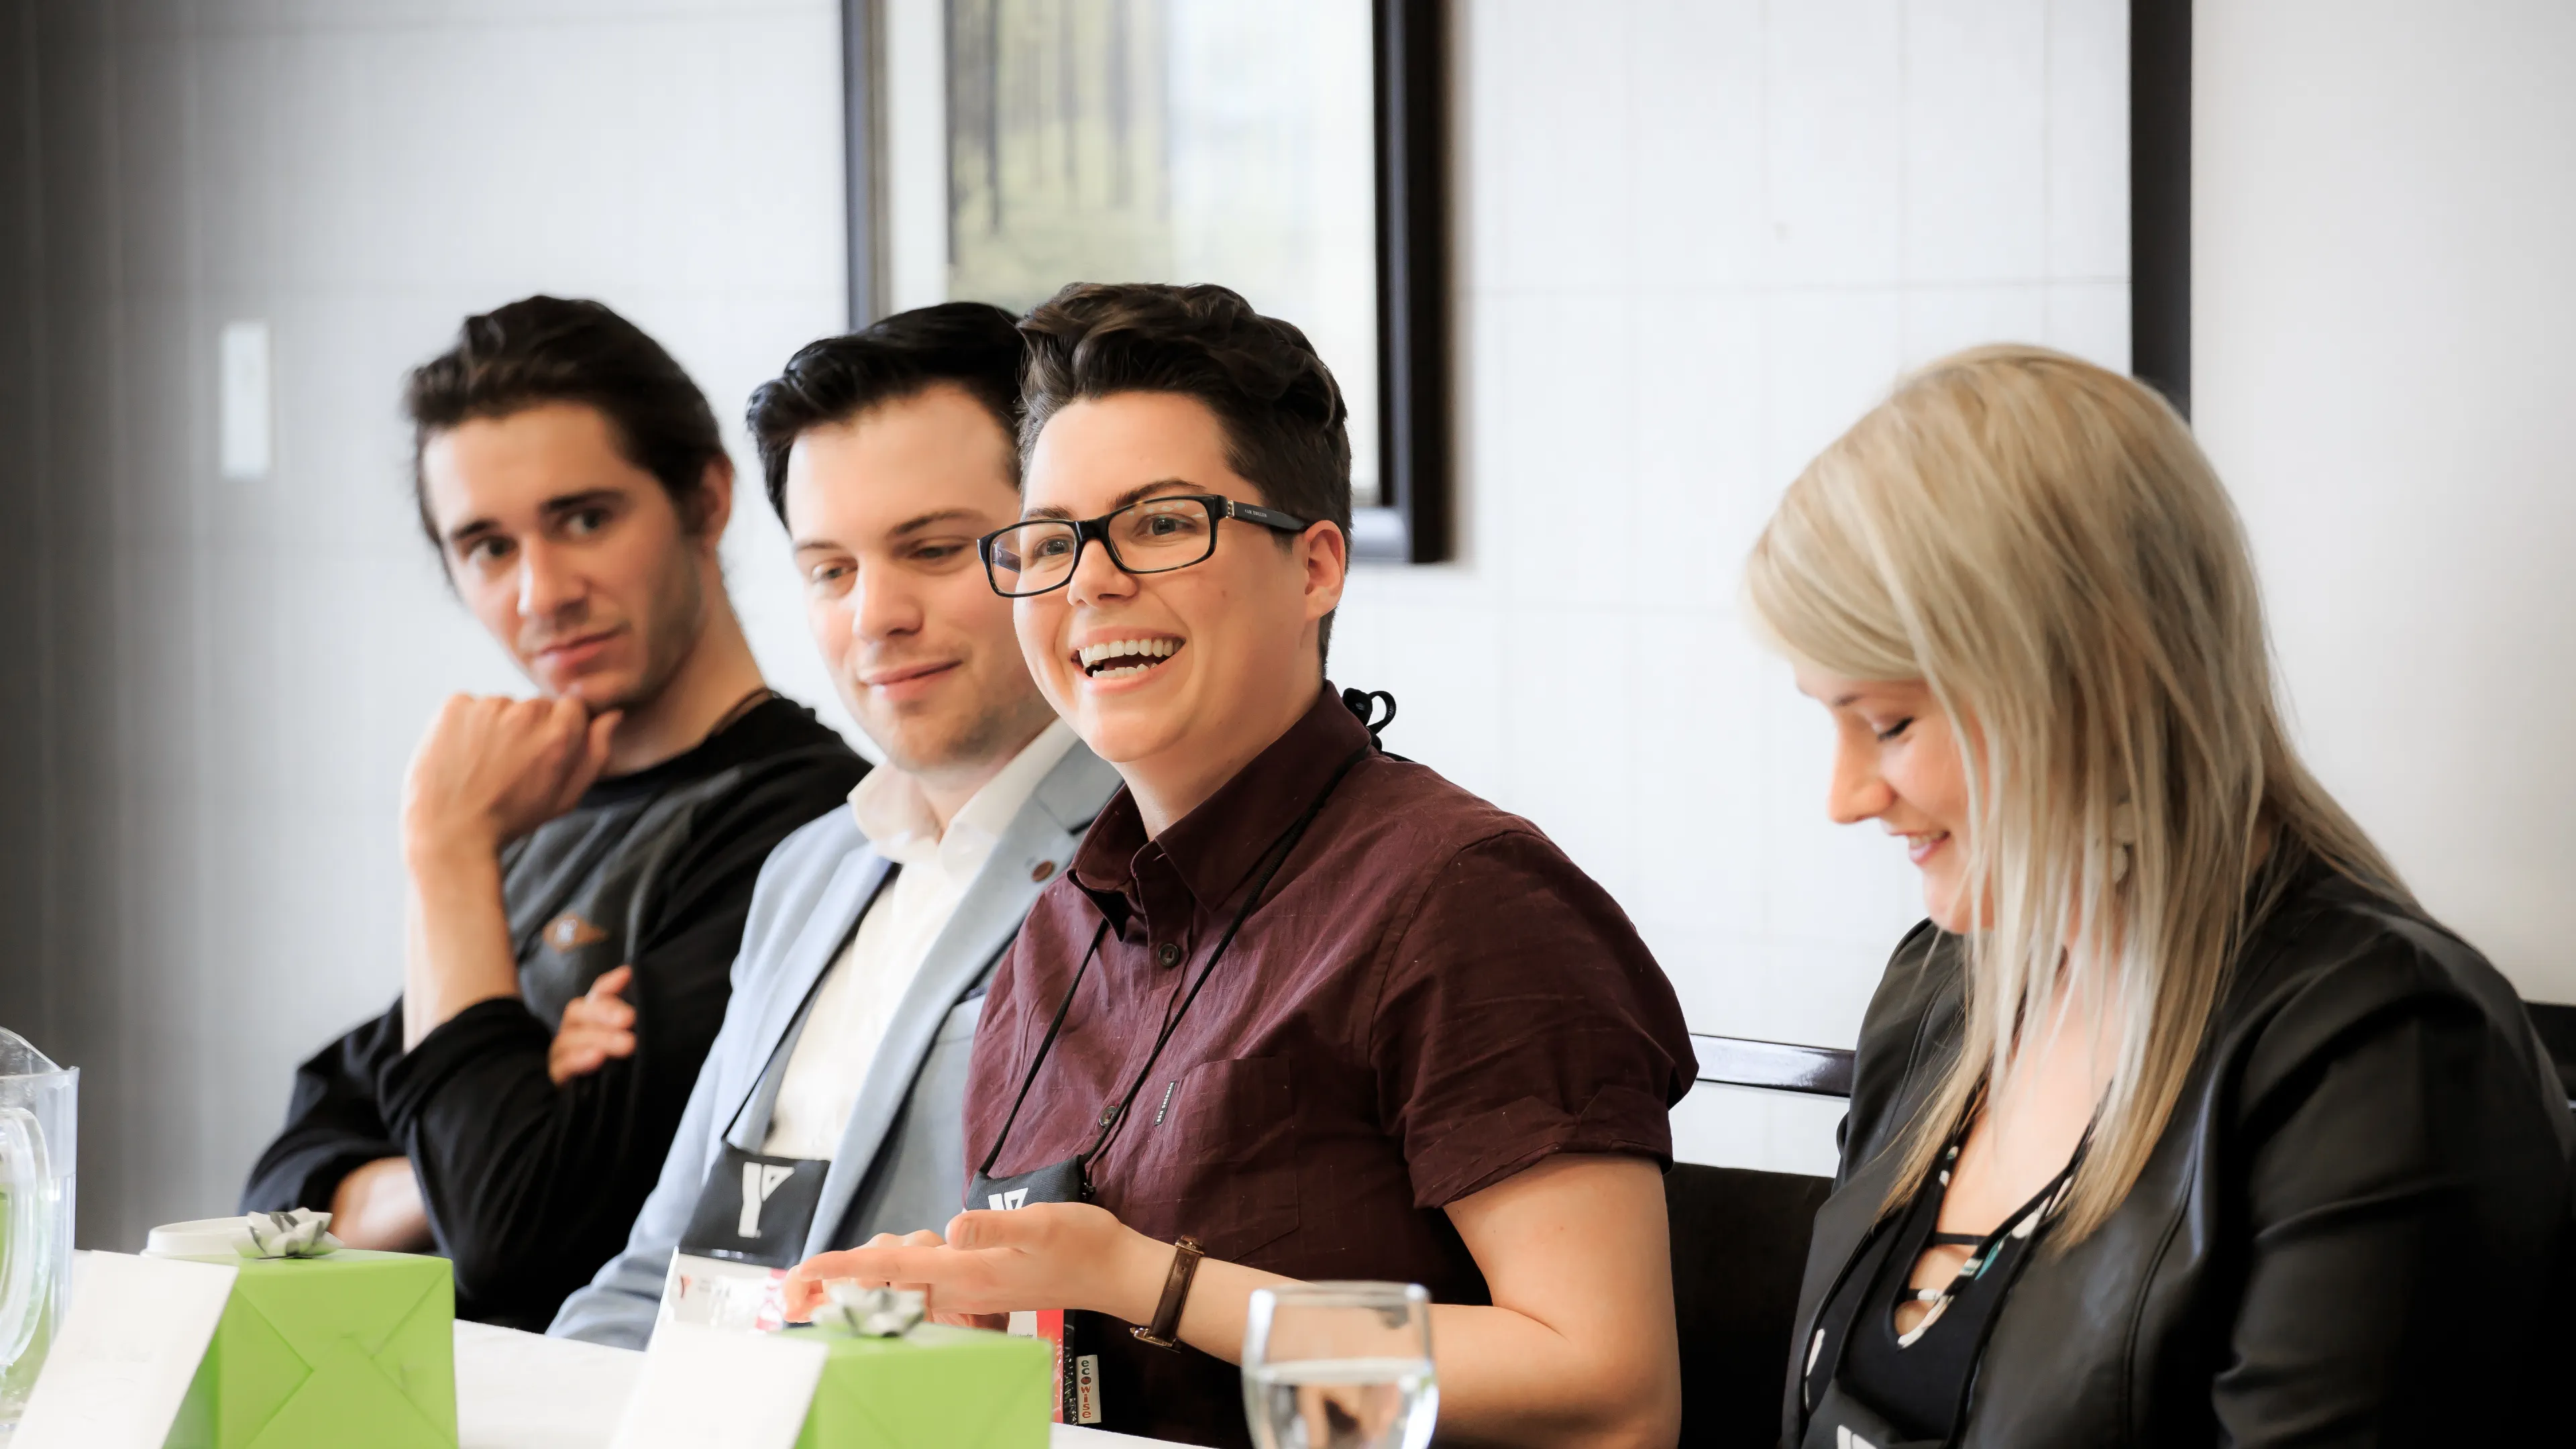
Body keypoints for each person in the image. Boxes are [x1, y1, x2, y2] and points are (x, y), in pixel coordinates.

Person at [780, 284, 1699, 1449]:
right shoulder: (1056, 930)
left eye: (1162, 523)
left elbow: (1606, 1388)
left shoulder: (1464, 897)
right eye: (1051, 539)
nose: (1090, 581)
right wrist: (944, 1301)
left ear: (1317, 567)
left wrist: (1158, 1285)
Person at [1748, 345, 2575, 1446]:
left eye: (1891, 724)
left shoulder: (2379, 1059)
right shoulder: (1940, 991)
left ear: (2093, 678)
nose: (1845, 797)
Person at [240, 297, 867, 1330]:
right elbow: (282, 1186)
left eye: (585, 519)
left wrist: (443, 850)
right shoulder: (528, 816)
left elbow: (513, 1240)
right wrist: (469, 1137)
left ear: (705, 500)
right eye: (487, 546)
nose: (542, 591)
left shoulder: (804, 827)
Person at [548, 304, 1121, 1348]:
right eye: (831, 570)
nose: (874, 617)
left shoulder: (1150, 857)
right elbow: (655, 1274)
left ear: (1055, 546)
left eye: (935, 549)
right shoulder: (810, 870)